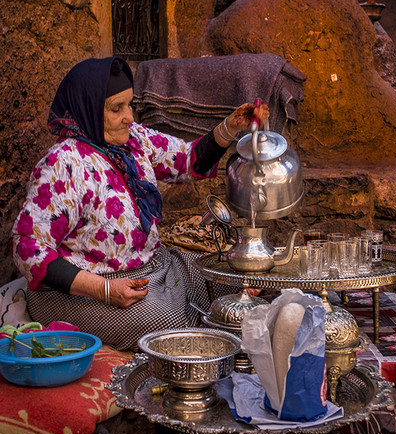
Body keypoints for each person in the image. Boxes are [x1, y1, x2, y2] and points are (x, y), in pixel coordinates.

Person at [12, 56, 269, 351]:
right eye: (116, 109)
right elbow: (27, 249)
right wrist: (105, 289)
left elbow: (186, 160)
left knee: (234, 283)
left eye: (129, 105)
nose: (129, 117)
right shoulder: (64, 164)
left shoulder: (133, 141)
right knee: (169, 326)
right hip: (83, 291)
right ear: (89, 109)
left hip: (153, 271)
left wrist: (231, 126)